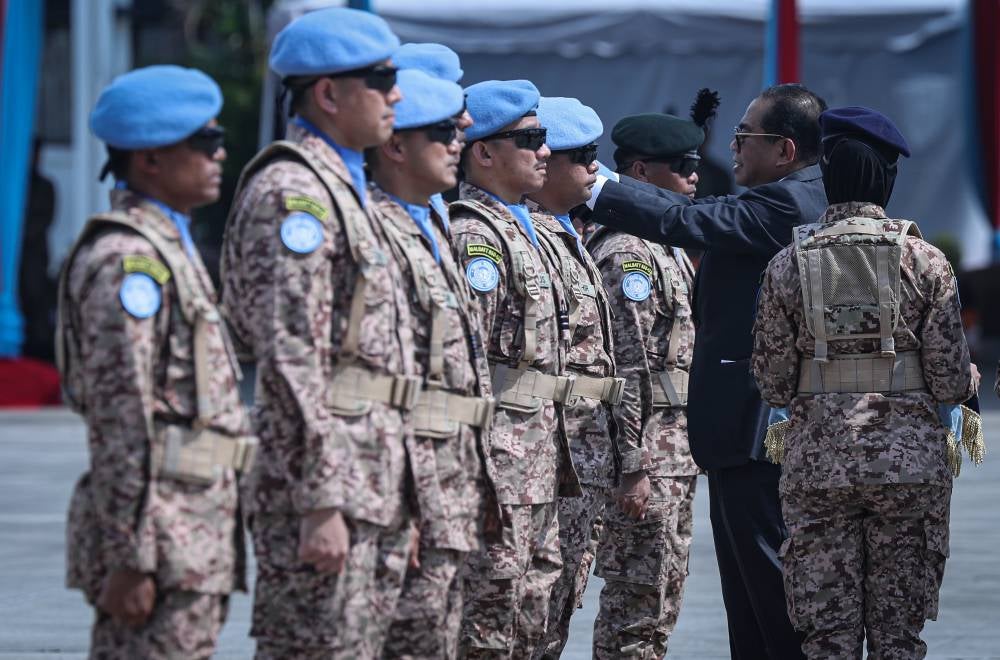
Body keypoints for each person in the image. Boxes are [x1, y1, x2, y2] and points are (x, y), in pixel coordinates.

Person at [585, 83, 829, 658]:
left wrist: (594, 186)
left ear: (786, 150)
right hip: (746, 432)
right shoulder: (800, 195)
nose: (732, 148)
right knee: (751, 598)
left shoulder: (788, 203)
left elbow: (687, 220)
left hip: (758, 432)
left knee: (772, 594)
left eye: (745, 136)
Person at [219, 8, 415, 658]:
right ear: (329, 94)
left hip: (369, 476)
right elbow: (291, 355)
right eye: (381, 81)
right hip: (324, 486)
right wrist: (321, 499)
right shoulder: (293, 195)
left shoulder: (345, 187)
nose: (396, 96)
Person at [752, 106, 977, 658]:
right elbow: (950, 381)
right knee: (898, 635)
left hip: (817, 467)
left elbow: (773, 382)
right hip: (909, 469)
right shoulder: (925, 261)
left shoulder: (787, 263)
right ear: (887, 178)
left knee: (827, 635)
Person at [57, 65, 254, 659]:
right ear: (149, 160)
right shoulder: (129, 261)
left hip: (190, 533)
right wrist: (130, 555)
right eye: (205, 142)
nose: (220, 155)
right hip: (160, 542)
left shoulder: (169, 246)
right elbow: (122, 415)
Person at [449, 79, 581, 658]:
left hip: (537, 458)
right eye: (530, 139)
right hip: (498, 467)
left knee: (533, 620)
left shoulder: (525, 228)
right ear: (483, 152)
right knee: (490, 625)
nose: (545, 151)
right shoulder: (474, 237)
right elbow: (463, 365)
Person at [367, 67, 495, 660]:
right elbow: (375, 380)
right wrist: (404, 503)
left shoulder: (431, 225)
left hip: (448, 481)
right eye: (444, 133)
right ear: (396, 146)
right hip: (405, 487)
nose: (458, 144)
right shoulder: (373, 231)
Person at [585, 111, 703, 659]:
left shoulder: (663, 244)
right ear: (640, 172)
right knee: (637, 605)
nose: (694, 174)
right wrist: (633, 463)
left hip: (673, 450)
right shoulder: (629, 252)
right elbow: (629, 366)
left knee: (661, 600)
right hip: (649, 453)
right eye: (681, 164)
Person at [524, 97, 623, 660]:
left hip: (579, 457)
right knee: (525, 618)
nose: (593, 167)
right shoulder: (519, 237)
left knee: (555, 613)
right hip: (537, 456)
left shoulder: (564, 235)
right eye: (581, 156)